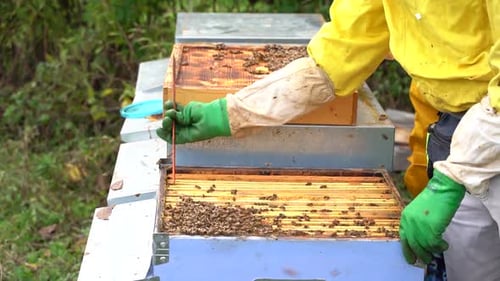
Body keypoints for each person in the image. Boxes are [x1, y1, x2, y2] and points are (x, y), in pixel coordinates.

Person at [157, 1, 500, 280]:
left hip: (488, 131)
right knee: (471, 270)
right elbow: (333, 61)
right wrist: (228, 113)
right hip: (456, 136)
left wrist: (451, 180)